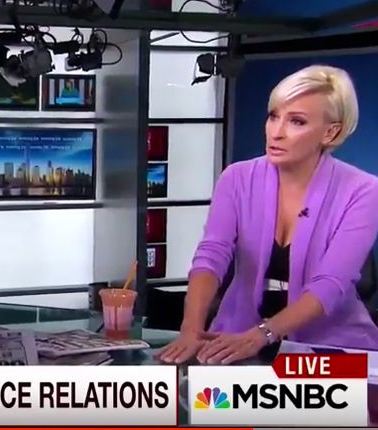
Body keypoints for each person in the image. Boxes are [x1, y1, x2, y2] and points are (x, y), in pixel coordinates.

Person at [157, 64, 378, 365]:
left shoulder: (363, 191)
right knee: (194, 393)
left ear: (331, 132)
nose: (277, 132)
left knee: (310, 396)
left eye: (296, 121)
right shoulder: (237, 178)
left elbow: (330, 284)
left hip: (330, 347)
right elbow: (212, 254)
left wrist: (262, 335)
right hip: (235, 336)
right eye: (274, 116)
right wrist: (191, 328)